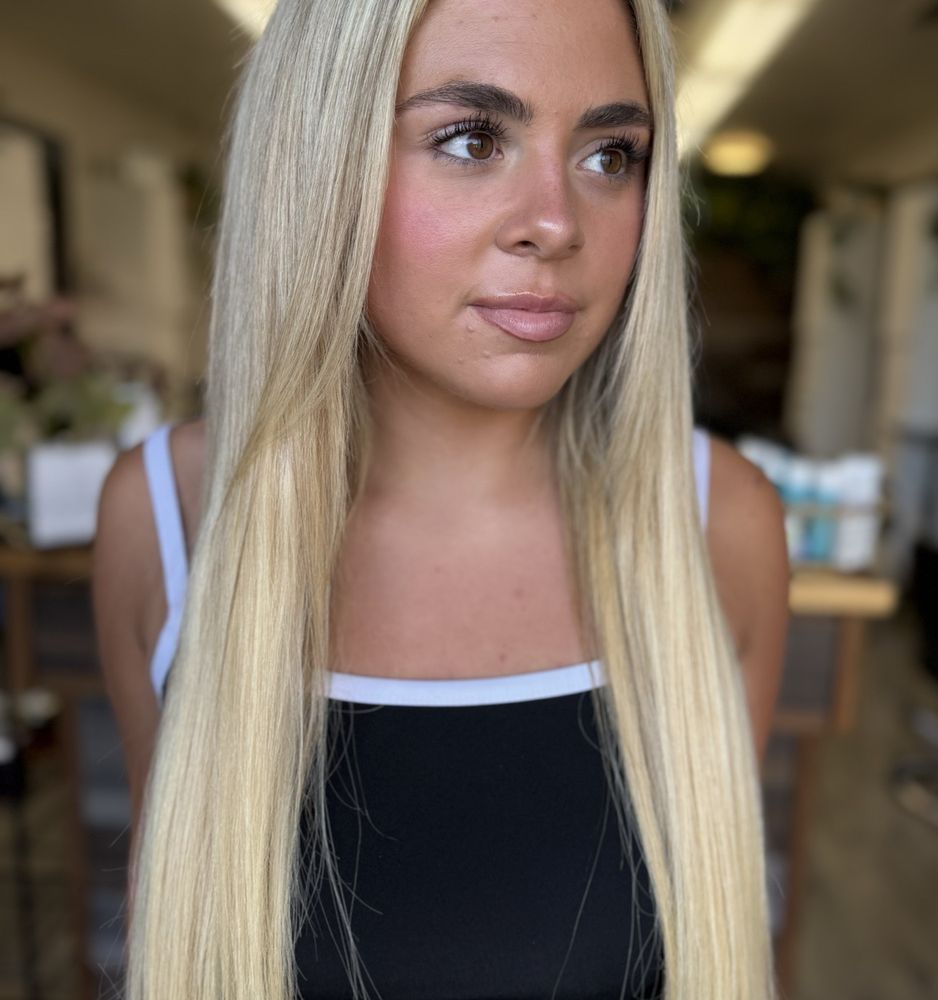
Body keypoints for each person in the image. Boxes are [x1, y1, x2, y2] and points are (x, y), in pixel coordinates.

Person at [92, 0, 790, 997]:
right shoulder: (165, 518)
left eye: (610, 155)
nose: (556, 223)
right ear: (317, 159)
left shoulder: (718, 524)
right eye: (470, 139)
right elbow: (174, 929)